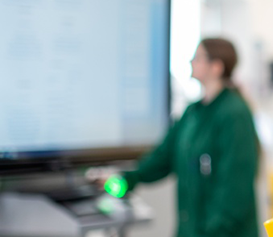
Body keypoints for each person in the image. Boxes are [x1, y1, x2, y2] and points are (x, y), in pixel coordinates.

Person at [108, 38, 261, 237]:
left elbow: (235, 189)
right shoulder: (193, 112)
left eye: (198, 58)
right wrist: (128, 179)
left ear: (216, 67)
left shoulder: (234, 114)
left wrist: (214, 230)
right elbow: (164, 156)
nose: (191, 62)